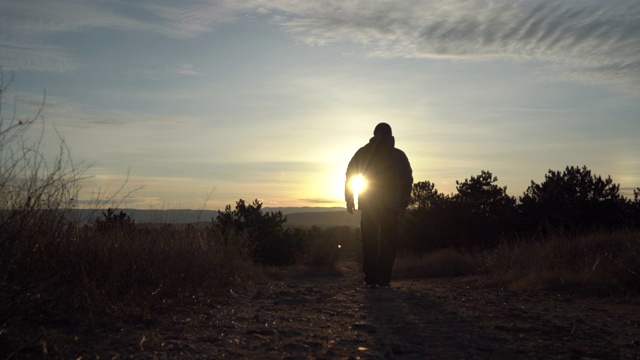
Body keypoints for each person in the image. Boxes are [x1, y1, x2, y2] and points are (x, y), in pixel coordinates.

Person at [345, 122, 413, 288]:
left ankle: (371, 279)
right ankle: (383, 280)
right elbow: (407, 181)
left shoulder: (363, 152)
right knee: (389, 243)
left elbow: (350, 174)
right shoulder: (399, 155)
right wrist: (403, 204)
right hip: (390, 206)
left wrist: (349, 197)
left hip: (370, 205)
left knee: (370, 242)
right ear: (391, 136)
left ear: (374, 134)